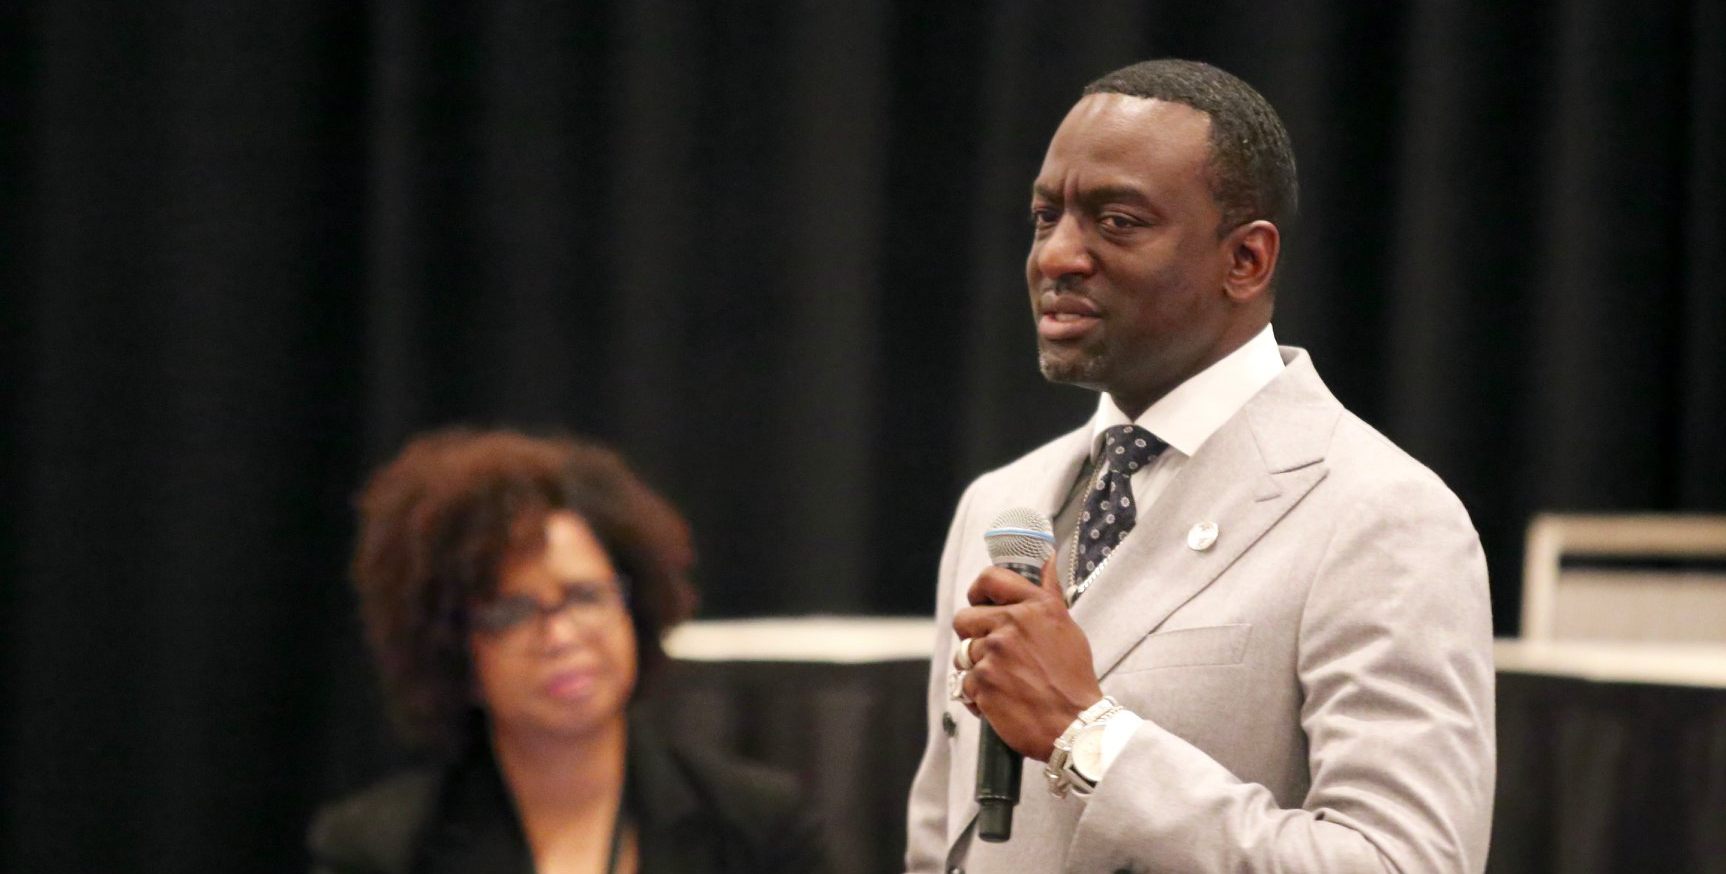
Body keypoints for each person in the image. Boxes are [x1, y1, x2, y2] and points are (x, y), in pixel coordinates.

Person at [904, 59, 1494, 873]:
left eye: (1117, 221)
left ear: (1246, 261)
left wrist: (1089, 734)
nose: (1058, 257)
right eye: (1046, 217)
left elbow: (1402, 862)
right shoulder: (999, 508)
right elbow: (945, 841)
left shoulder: (1382, 515)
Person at [308, 429, 827, 873]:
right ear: (457, 652)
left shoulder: (759, 829)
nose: (561, 636)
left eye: (585, 596)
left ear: (634, 607)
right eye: (512, 612)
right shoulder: (382, 852)